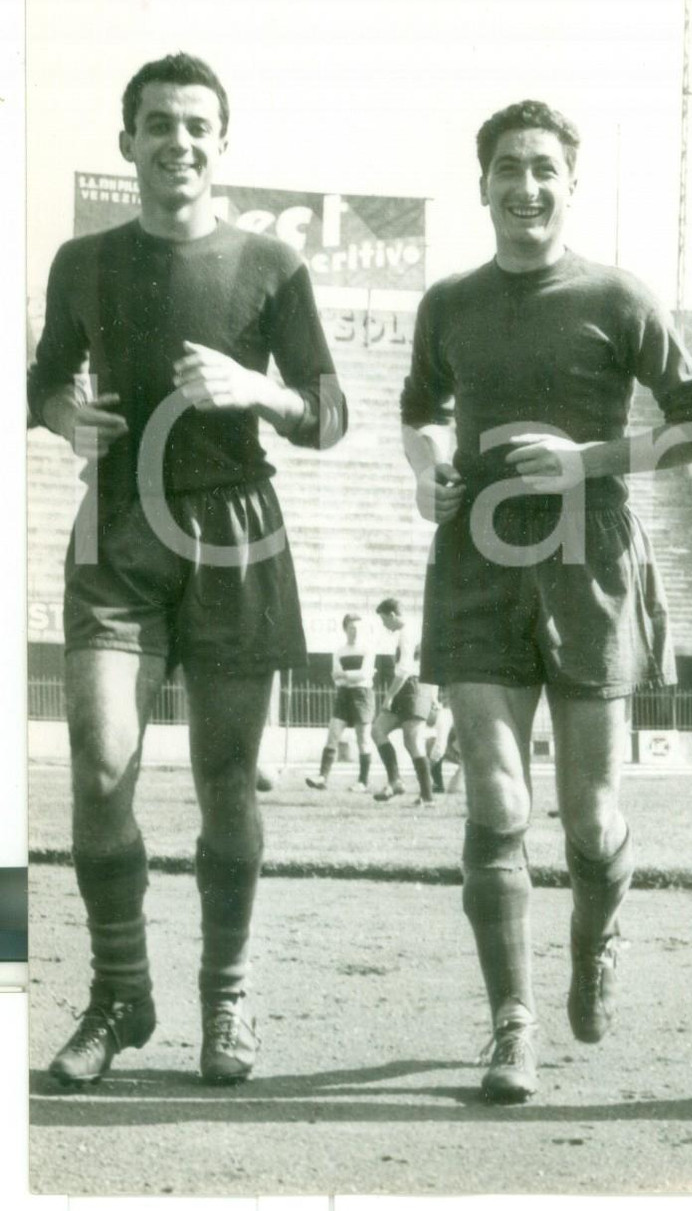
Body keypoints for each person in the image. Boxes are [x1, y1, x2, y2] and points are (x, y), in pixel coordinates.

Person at [28, 53, 347, 1089]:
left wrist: (259, 387)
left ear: (221, 143)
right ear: (128, 142)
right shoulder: (83, 262)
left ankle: (227, 995)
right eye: (158, 123)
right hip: (118, 526)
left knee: (221, 779)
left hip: (235, 534)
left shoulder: (269, 266)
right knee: (98, 757)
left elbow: (328, 415)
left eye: (197, 125)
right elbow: (41, 383)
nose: (179, 141)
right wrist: (66, 415)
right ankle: (120, 993)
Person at [400, 98, 692, 1102]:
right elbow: (418, 409)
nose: (526, 185)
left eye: (544, 168)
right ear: (482, 182)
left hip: (588, 560)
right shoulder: (447, 301)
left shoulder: (619, 296)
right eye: (508, 167)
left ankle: (595, 942)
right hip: (475, 559)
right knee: (496, 799)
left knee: (588, 820)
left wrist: (589, 457)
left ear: (569, 185)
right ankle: (512, 1026)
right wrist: (425, 471)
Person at [370, 597, 438, 806]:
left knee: (412, 741)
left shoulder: (408, 632)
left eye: (384, 620)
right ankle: (395, 781)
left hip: (413, 687)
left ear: (392, 615)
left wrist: (389, 696)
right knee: (378, 730)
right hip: (412, 686)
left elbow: (405, 669)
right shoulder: (412, 630)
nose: (384, 625)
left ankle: (427, 796)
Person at [306, 612, 377, 793]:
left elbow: (364, 674)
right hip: (343, 695)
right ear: (345, 629)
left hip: (362, 695)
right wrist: (348, 677)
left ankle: (362, 782)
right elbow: (335, 678)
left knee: (363, 739)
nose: (356, 632)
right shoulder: (339, 651)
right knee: (333, 734)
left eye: (359, 628)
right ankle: (322, 777)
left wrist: (345, 675)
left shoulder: (368, 649)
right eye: (352, 628)